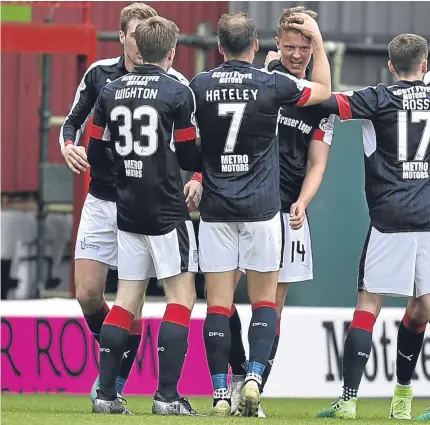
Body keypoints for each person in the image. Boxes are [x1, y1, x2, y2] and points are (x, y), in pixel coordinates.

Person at [58, 2, 202, 404]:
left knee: (129, 299)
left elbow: (99, 147)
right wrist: (68, 145)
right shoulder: (109, 79)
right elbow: (74, 124)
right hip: (139, 203)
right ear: (123, 37)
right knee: (104, 295)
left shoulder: (130, 88)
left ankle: (111, 386)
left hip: (128, 203)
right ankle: (166, 396)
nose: (139, 45)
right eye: (133, 37)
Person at [190, 11, 331, 417]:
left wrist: (302, 201)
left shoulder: (201, 83)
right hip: (262, 207)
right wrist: (320, 39)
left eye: (305, 47)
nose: (298, 52)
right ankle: (244, 377)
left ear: (220, 47)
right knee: (254, 302)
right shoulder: (276, 83)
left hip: (266, 209)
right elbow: (322, 87)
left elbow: (192, 141)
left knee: (233, 302)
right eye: (291, 45)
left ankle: (237, 393)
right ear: (265, 45)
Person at [314, 33, 430, 420]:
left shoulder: (377, 97)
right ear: (425, 65)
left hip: (389, 218)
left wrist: (315, 47)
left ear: (391, 66)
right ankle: (402, 397)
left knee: (367, 308)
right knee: (422, 310)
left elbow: (327, 101)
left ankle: (348, 400)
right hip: (429, 220)